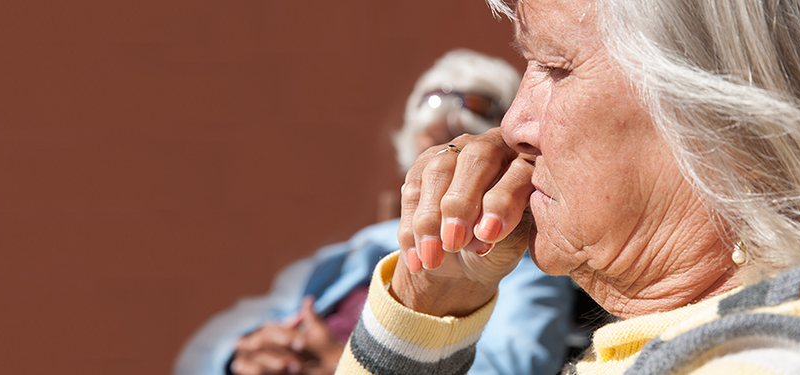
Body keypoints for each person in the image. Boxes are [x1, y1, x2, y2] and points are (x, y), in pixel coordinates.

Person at [336, 1, 800, 374]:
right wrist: (434, 299)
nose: (515, 126)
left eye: (555, 66)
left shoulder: (796, 352)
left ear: (733, 115)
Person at [175, 49, 576, 375]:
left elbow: (515, 366)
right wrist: (240, 356)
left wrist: (352, 363)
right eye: (436, 148)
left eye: (472, 149)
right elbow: (213, 340)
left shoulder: (524, 262)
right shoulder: (362, 247)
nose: (445, 168)